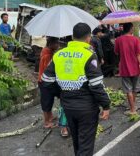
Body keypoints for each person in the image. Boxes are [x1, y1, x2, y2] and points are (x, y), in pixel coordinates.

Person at [42, 23, 110, 156]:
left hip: (67, 106)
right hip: (87, 108)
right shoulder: (89, 55)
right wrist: (106, 105)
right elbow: (96, 85)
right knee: (85, 145)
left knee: (77, 142)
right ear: (88, 38)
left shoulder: (59, 54)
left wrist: (61, 93)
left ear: (73, 37)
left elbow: (46, 80)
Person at [38, 37, 68, 137]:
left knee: (49, 99)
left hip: (48, 81)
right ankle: (47, 122)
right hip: (45, 81)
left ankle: (50, 117)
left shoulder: (47, 51)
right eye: (56, 44)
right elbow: (49, 69)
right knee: (47, 101)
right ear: (51, 44)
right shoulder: (47, 55)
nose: (58, 45)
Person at [115, 23, 140, 115]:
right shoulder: (136, 39)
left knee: (128, 89)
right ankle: (132, 107)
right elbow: (139, 54)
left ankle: (132, 109)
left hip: (124, 67)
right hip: (135, 67)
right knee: (134, 88)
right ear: (131, 28)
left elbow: (116, 52)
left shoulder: (118, 40)